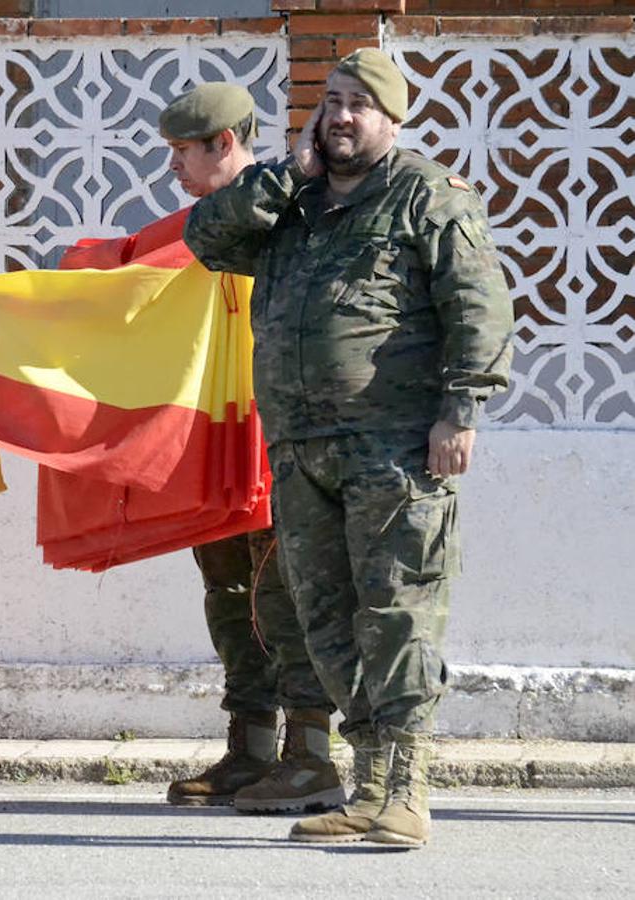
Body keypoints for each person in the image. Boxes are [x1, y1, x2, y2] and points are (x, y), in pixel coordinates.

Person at [184, 49, 513, 847]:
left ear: (391, 120)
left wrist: (459, 412)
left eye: (359, 103)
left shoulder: (426, 196)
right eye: (330, 100)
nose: (339, 115)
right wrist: (285, 174)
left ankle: (406, 792)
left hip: (395, 448)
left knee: (396, 617)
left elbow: (478, 307)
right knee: (325, 624)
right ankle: (367, 785)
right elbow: (207, 237)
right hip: (302, 450)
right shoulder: (291, 205)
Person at [155, 84, 344, 816]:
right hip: (223, 432)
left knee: (289, 596)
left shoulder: (301, 208)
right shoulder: (214, 220)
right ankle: (252, 745)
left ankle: (310, 751)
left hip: (284, 434)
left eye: (182, 151)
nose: (173, 166)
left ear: (224, 143)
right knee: (229, 589)